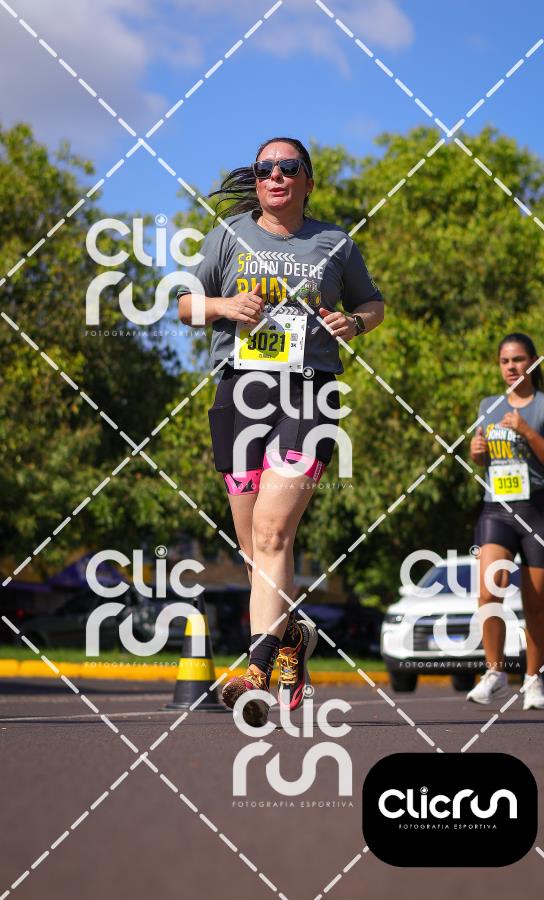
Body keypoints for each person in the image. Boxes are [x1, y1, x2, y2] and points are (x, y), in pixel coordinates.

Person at [178, 136, 384, 725]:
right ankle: (292, 637)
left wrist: (354, 323)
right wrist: (224, 308)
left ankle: (256, 670)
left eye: (288, 167)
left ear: (306, 181)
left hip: (307, 393)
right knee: (254, 552)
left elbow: (374, 305)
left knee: (273, 533)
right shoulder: (229, 235)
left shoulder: (335, 242)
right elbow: (186, 305)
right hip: (240, 394)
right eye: (265, 167)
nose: (275, 175)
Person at [467, 333, 544, 709]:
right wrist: (477, 452)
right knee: (489, 591)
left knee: (536, 603)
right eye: (505, 361)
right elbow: (484, 459)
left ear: (533, 362)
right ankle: (495, 673)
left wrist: (525, 430)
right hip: (497, 509)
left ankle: (534, 678)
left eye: (519, 359)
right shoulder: (488, 405)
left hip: (539, 510)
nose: (511, 367)